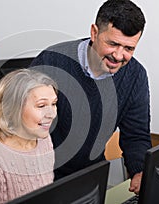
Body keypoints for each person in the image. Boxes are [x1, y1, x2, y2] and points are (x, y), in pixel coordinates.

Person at [30, 0, 151, 195]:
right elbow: (23, 128)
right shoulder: (52, 60)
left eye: (129, 48)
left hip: (91, 177)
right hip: (42, 178)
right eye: (113, 44)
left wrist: (139, 170)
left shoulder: (135, 75)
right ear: (94, 33)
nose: (118, 56)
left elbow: (136, 135)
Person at [0, 69, 58, 203]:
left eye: (54, 104)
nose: (51, 114)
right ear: (13, 108)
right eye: (41, 105)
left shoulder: (43, 139)